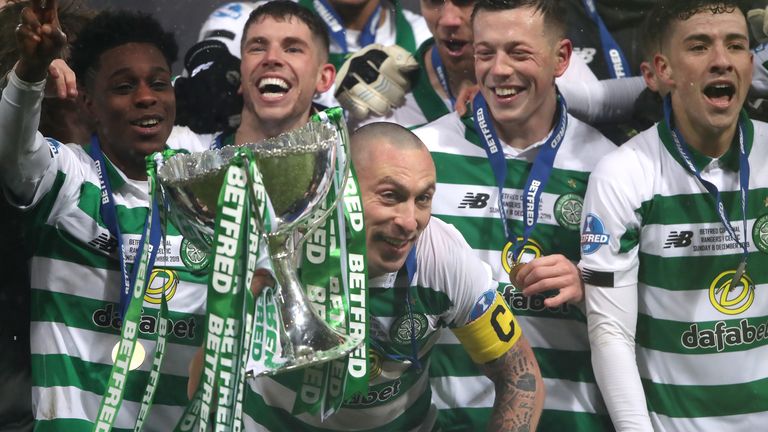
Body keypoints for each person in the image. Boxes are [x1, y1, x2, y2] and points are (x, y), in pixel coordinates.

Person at [201, 122, 544, 431]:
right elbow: (207, 385)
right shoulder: (276, 247)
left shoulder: (443, 254)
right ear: (341, 189)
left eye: (422, 199)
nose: (410, 221)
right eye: (391, 196)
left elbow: (519, 375)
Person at [1, 2, 219, 429]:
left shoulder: (203, 179)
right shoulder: (67, 177)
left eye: (158, 83)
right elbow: (12, 148)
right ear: (88, 101)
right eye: (123, 87)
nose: (145, 97)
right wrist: (30, 72)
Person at [412, 0, 617, 430]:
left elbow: (647, 304)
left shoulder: (609, 165)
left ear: (561, 58)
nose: (499, 70)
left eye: (519, 53)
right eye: (485, 53)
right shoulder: (421, 156)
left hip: (573, 420)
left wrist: (589, 285)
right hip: (449, 420)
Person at [580, 1, 768, 430]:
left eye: (736, 45)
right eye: (699, 47)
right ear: (659, 72)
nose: (722, 61)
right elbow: (610, 332)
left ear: (751, 62)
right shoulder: (622, 175)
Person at [338, 0, 646, 132]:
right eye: (433, 1)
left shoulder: (554, 68)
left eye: (464, 1)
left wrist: (531, 95)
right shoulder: (389, 90)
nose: (447, 19)